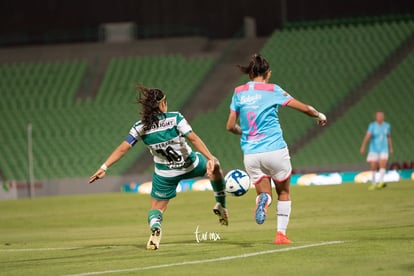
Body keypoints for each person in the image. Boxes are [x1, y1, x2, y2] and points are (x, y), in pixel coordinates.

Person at [89, 84, 228, 250]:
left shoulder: (140, 127)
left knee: (156, 209)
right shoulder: (175, 118)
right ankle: (220, 203)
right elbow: (194, 139)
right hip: (191, 165)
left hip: (165, 175)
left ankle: (156, 227)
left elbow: (123, 148)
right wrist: (210, 158)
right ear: (162, 104)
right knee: (215, 167)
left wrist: (104, 167)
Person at [225, 54, 327, 244]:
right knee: (283, 192)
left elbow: (230, 126)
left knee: (264, 192)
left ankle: (263, 200)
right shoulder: (273, 90)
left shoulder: (238, 92)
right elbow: (305, 108)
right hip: (275, 150)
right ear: (268, 73)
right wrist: (319, 115)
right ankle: (281, 234)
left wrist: (244, 133)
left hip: (251, 154)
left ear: (249, 74)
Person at [360, 111, 393, 190]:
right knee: (373, 166)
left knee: (383, 163)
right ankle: (374, 183)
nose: (380, 117)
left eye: (381, 116)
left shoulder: (387, 126)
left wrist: (390, 148)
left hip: (384, 149)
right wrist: (363, 146)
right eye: (378, 116)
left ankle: (381, 182)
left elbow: (388, 137)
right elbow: (368, 136)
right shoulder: (372, 126)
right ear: (376, 117)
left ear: (383, 117)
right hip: (374, 149)